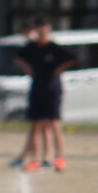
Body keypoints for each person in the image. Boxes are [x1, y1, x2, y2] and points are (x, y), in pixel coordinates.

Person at [15, 18, 77, 171]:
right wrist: (27, 68)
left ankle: (59, 157)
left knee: (54, 123)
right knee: (35, 123)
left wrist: (59, 69)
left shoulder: (54, 48)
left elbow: (75, 56)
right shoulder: (31, 47)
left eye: (43, 27)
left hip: (52, 88)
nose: (41, 30)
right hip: (37, 87)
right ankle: (35, 159)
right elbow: (18, 57)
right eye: (38, 27)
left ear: (48, 28)